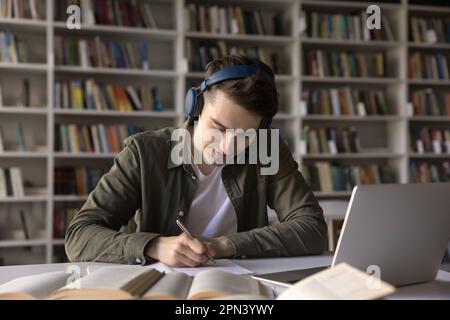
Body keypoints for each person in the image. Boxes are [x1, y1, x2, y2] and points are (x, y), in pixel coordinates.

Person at [65, 54, 327, 267]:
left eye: (245, 136)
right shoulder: (143, 152)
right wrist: (154, 246)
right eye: (219, 127)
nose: (226, 147)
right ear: (197, 106)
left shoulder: (268, 150)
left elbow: (312, 229)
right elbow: (80, 235)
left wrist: (223, 245)